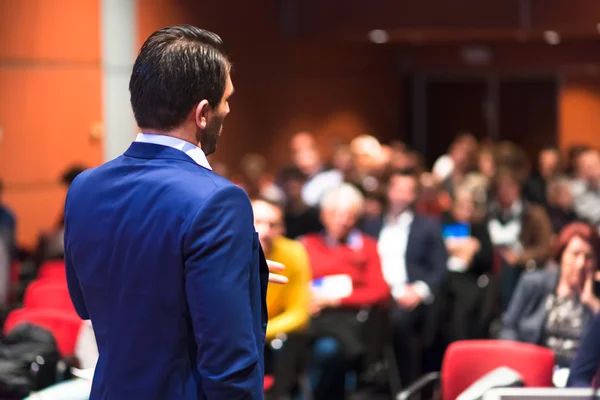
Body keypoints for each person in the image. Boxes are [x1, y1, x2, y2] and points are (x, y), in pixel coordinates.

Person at [64, 25, 284, 399]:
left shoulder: (85, 187)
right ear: (202, 114)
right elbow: (228, 363)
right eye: (226, 99)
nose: (228, 108)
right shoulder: (218, 200)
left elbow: (87, 303)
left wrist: (242, 268)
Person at [500, 222, 600, 369]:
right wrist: (519, 359)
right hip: (535, 367)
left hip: (579, 374)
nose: (580, 263)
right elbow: (508, 328)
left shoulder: (596, 294)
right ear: (562, 255)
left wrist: (591, 301)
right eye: (575, 254)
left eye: (588, 257)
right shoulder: (534, 283)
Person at [251, 197, 312, 399]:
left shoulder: (295, 253)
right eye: (258, 221)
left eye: (273, 224)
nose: (265, 230)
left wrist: (261, 332)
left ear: (282, 228)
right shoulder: (226, 251)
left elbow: (299, 313)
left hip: (272, 333)